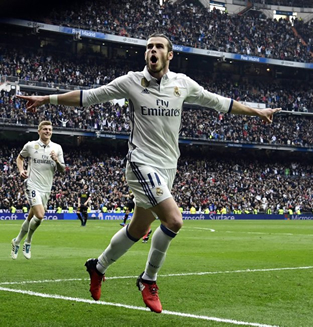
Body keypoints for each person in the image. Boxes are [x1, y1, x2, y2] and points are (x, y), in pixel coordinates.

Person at [18, 33, 281, 313]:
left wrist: (257, 111)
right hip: (141, 163)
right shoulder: (131, 81)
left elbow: (220, 102)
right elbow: (89, 97)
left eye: (158, 47)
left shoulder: (183, 84)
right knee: (174, 220)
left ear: (169, 55)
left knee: (139, 227)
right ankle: (148, 279)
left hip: (168, 167)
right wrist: (47, 98)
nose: (152, 50)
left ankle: (98, 267)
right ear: (146, 54)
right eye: (149, 47)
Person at [10, 121, 65, 260]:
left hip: (46, 188)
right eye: (45, 129)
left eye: (50, 129)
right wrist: (21, 170)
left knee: (32, 217)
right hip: (32, 185)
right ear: (39, 131)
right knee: (40, 215)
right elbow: (20, 158)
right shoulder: (30, 146)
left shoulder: (57, 148)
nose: (48, 131)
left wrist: (56, 160)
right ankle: (28, 241)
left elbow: (63, 170)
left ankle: (16, 241)